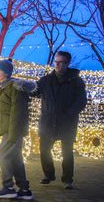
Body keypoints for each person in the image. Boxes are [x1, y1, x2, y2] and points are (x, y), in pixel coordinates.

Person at [32, 51, 87, 189]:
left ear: (67, 63)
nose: (56, 64)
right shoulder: (46, 80)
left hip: (66, 122)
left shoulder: (76, 81)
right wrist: (22, 86)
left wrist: (69, 113)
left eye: (60, 62)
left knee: (67, 152)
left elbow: (81, 101)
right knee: (44, 150)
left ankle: (68, 179)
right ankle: (48, 175)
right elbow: (34, 91)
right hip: (48, 121)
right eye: (55, 62)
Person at [0, 59, 33, 200]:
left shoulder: (15, 88)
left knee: (3, 156)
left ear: (7, 73)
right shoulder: (4, 87)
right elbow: (1, 114)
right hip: (10, 130)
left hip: (13, 131)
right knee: (15, 159)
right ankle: (24, 190)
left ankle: (8, 187)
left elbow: (17, 114)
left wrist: (13, 135)